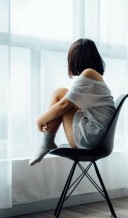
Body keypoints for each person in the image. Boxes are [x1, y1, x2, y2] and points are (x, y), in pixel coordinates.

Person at [29, 38, 115, 166]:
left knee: (60, 94)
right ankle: (47, 142)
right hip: (98, 137)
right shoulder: (94, 76)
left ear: (77, 58)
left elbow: (64, 105)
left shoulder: (89, 73)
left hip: (92, 138)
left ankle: (46, 142)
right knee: (61, 93)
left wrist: (39, 121)